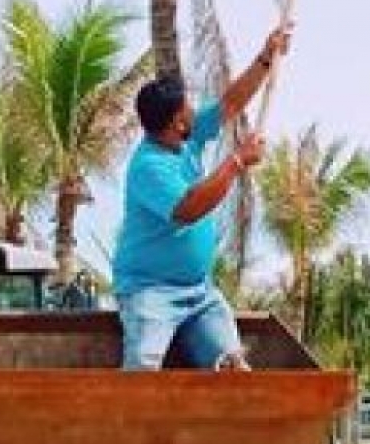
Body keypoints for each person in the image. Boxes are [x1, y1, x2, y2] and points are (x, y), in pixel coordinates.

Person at [113, 24, 292, 370]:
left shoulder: (187, 140)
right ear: (177, 122)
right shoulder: (148, 167)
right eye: (188, 109)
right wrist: (237, 161)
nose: (195, 111)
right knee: (142, 369)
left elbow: (230, 103)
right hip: (149, 292)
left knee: (232, 367)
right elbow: (189, 209)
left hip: (199, 294)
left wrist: (266, 58)